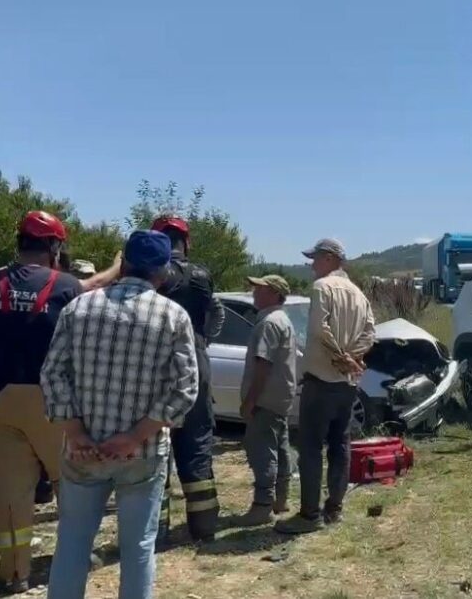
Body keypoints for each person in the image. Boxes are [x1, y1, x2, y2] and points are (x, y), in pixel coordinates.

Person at [41, 230, 199, 599]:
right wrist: (135, 436)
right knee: (138, 549)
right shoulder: (173, 316)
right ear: (162, 272)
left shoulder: (78, 308)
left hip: (82, 451)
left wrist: (75, 430)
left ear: (123, 263)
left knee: (72, 545)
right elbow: (185, 389)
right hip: (140, 454)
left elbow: (52, 373)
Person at [0, 211, 84, 594]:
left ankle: (13, 572)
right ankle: (73, 562)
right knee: (71, 486)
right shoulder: (67, 286)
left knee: (11, 494)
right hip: (49, 400)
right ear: (54, 246)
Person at [276, 238, 375, 535]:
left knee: (310, 448)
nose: (312, 265)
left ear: (331, 258)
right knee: (340, 444)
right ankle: (334, 508)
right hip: (347, 383)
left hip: (322, 380)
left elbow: (319, 330)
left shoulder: (322, 288)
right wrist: (353, 356)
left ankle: (309, 515)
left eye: (316, 259)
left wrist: (340, 357)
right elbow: (370, 332)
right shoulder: (358, 293)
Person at [150, 215, 224, 542]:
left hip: (160, 362)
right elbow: (215, 312)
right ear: (187, 242)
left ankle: (156, 529)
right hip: (197, 359)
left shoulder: (155, 274)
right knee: (197, 442)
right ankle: (204, 526)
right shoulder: (202, 274)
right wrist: (204, 340)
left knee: (156, 442)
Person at [237, 275, 297, 527]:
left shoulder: (269, 323)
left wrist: (250, 400)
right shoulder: (283, 319)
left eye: (259, 289)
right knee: (281, 448)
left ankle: (263, 506)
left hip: (266, 398)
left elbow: (263, 365)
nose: (254, 292)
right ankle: (280, 499)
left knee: (262, 451)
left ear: (273, 293)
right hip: (281, 396)